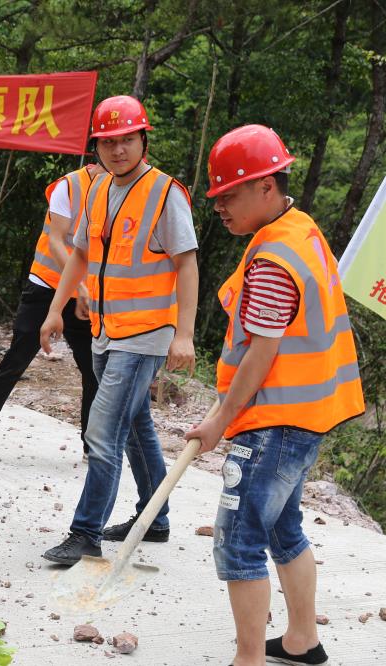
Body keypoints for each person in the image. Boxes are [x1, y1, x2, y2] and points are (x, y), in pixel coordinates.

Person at [186, 125, 365, 666]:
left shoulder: (273, 260)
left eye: (229, 194)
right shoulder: (299, 228)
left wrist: (221, 418)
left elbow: (261, 353)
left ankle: (248, 660)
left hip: (274, 421)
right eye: (215, 197)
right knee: (284, 528)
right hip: (304, 417)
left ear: (266, 185)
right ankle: (301, 640)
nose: (219, 206)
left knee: (239, 539)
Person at [38, 95, 199, 564]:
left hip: (147, 332)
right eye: (108, 142)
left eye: (127, 139)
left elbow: (186, 263)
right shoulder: (98, 190)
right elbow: (82, 256)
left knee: (103, 432)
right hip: (106, 330)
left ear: (143, 139)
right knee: (135, 429)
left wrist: (183, 334)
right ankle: (157, 517)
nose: (117, 149)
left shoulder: (166, 193)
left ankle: (85, 532)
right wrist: (55, 310)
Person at [0, 164, 101, 464]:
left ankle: (92, 444)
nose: (118, 152)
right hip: (47, 286)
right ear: (97, 148)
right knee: (16, 360)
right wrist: (79, 284)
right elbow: (56, 240)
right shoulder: (70, 186)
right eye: (109, 143)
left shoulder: (125, 190)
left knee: (93, 371)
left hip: (84, 294)